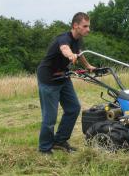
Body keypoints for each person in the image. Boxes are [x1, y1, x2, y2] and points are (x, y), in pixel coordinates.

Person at [37, 12, 95, 154]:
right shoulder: (63, 38)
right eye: (85, 26)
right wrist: (70, 55)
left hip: (63, 76)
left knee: (73, 108)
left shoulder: (78, 39)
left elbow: (79, 53)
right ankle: (44, 148)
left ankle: (60, 141)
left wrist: (88, 66)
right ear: (75, 26)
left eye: (88, 26)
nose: (88, 29)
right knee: (50, 117)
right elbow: (65, 49)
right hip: (49, 78)